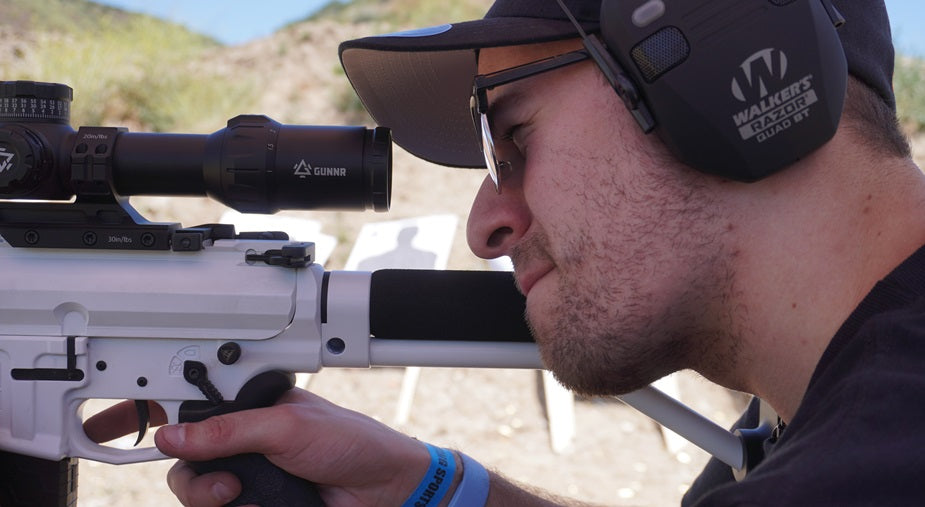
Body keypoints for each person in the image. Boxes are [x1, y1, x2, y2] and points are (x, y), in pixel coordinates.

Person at [97, 0, 925, 504]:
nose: (484, 225)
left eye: (513, 140)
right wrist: (437, 490)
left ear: (722, 67)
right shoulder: (825, 428)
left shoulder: (866, 469)